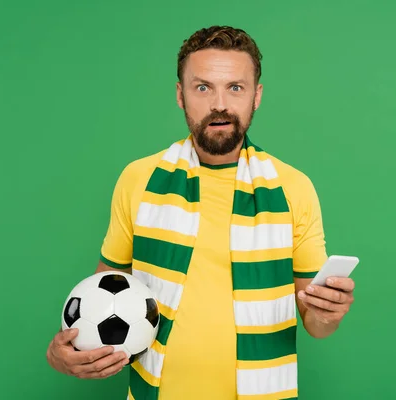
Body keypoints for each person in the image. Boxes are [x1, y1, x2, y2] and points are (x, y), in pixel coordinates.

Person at [46, 25, 356, 400]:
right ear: (181, 95)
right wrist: (68, 351)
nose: (219, 104)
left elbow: (316, 324)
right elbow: (105, 291)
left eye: (235, 88)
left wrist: (327, 313)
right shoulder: (139, 179)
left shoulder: (293, 188)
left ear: (256, 96)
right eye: (203, 87)